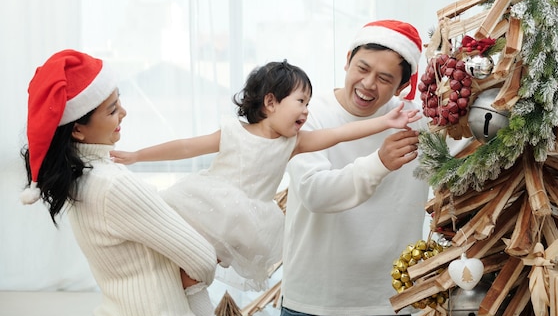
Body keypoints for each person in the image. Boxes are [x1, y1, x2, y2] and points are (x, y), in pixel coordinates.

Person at [110, 60, 420, 293]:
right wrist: (137, 156)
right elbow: (187, 147)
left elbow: (340, 134)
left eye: (309, 103)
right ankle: (156, 288)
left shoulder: (293, 143)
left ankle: (191, 304)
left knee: (199, 271)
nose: (307, 111)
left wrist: (385, 123)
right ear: (271, 102)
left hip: (246, 218)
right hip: (210, 204)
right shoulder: (234, 133)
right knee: (182, 262)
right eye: (300, 102)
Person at [20, 49, 219, 316]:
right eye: (112, 110)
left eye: (119, 101)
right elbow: (202, 259)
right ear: (77, 129)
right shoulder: (113, 184)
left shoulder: (81, 180)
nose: (123, 113)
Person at [280, 20, 429, 316]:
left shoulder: (418, 121)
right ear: (347, 60)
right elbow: (315, 193)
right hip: (313, 303)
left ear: (402, 86)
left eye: (385, 78)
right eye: (362, 68)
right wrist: (380, 162)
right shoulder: (307, 115)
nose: (368, 84)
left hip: (388, 305)